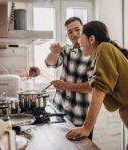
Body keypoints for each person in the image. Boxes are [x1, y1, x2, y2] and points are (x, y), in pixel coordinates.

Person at [66, 20, 128, 149]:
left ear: (92, 39)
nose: (78, 41)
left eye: (81, 35)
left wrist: (87, 127)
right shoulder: (106, 50)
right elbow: (96, 86)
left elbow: (99, 88)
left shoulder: (104, 48)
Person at [45, 17, 94, 140]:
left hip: (81, 117)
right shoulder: (65, 49)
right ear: (67, 35)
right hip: (59, 113)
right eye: (70, 31)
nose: (74, 34)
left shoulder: (92, 54)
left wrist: (66, 86)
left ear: (84, 30)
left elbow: (91, 87)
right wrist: (53, 52)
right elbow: (51, 63)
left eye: (77, 30)